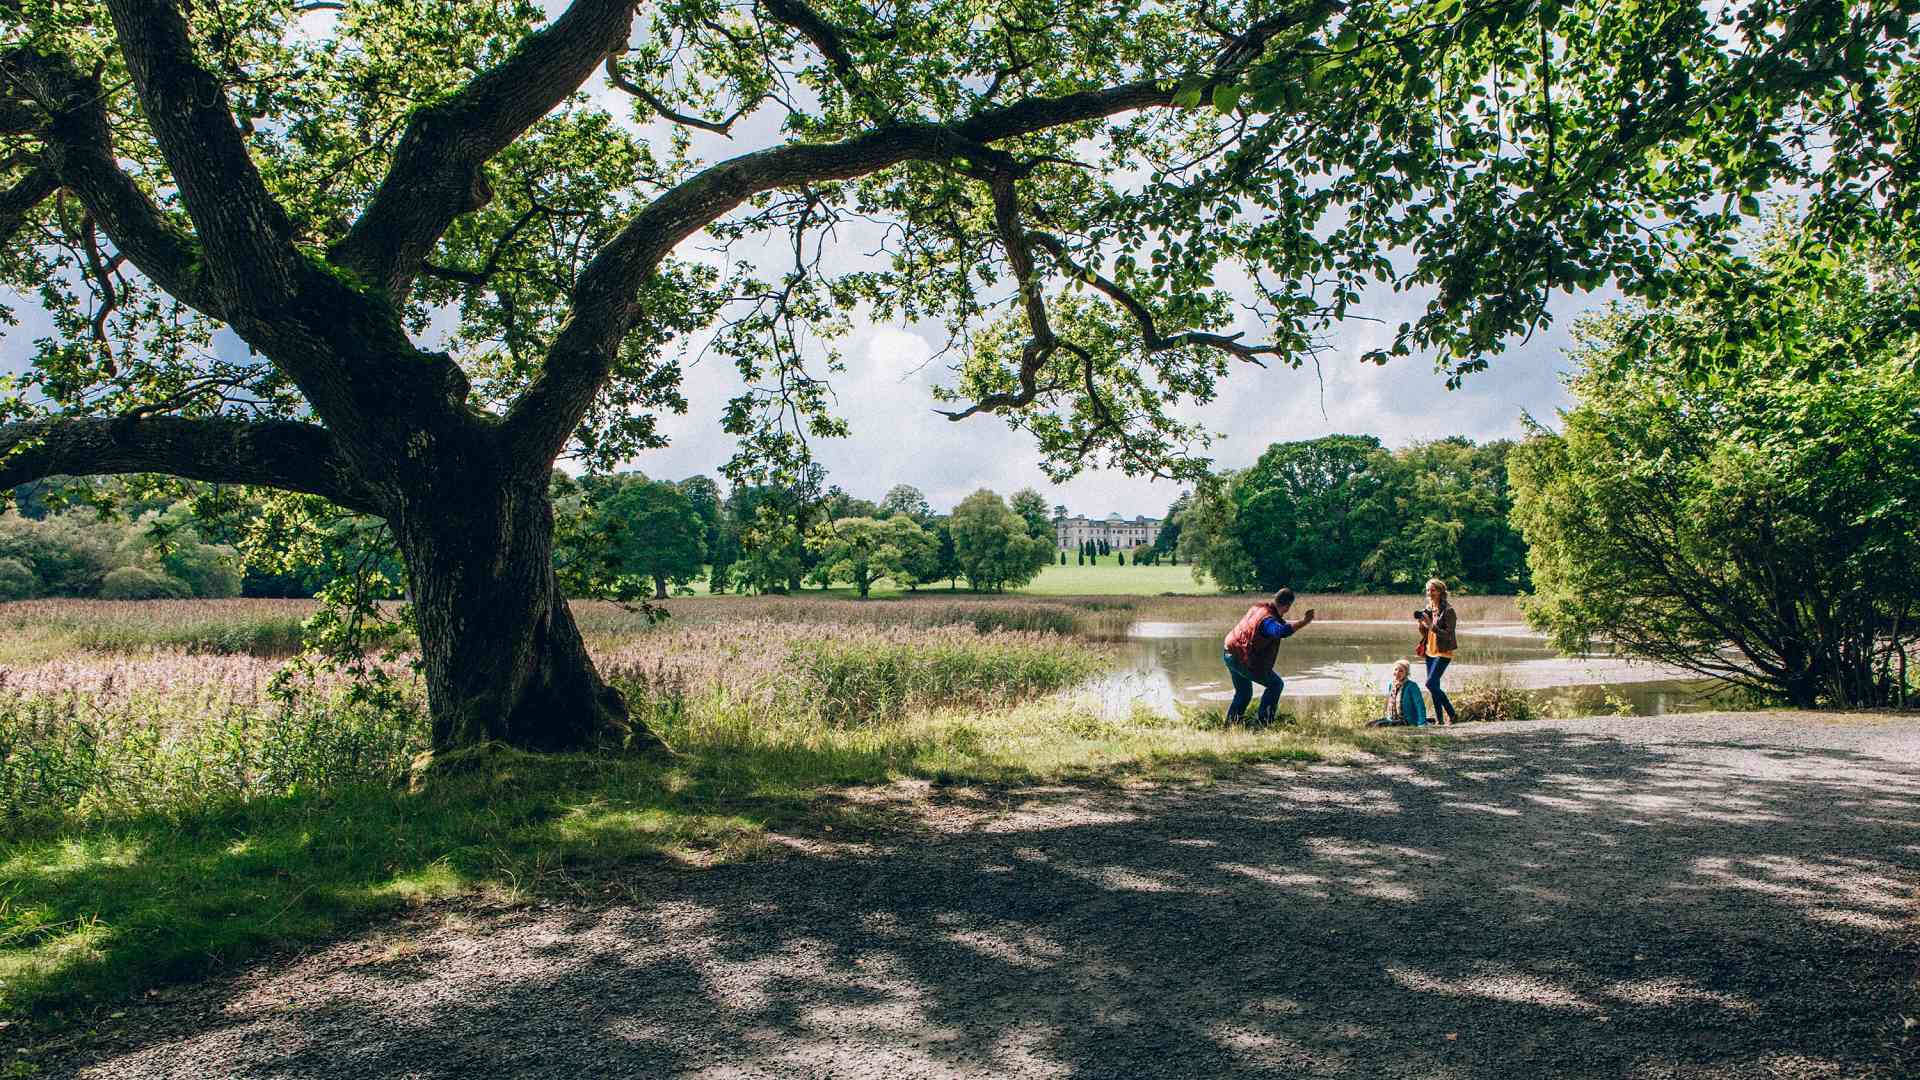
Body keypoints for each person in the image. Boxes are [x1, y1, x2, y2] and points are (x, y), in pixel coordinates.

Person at [1222, 587, 1316, 725]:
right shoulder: (1268, 620)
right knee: (1276, 685)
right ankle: (1263, 724)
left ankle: (1230, 725)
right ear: (1288, 606)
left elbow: (1274, 626)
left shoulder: (1259, 607)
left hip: (1229, 651)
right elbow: (1280, 631)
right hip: (1240, 657)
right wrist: (1305, 621)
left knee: (1244, 694)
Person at [1415, 577, 1459, 725]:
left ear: (1440, 592)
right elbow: (1426, 634)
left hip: (1443, 652)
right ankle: (1440, 720)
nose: (1430, 592)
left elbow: (1448, 634)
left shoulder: (1449, 611)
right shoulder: (1429, 609)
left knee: (1430, 684)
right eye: (1428, 590)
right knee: (1435, 687)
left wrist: (1431, 625)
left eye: (1433, 590)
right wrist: (1421, 625)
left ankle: (1452, 714)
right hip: (1430, 651)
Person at [1370, 659, 1428, 727]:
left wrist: (1422, 723)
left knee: (1378, 725)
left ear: (1406, 673)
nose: (1397, 672)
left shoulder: (1412, 686)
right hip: (1392, 719)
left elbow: (1420, 705)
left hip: (1406, 720)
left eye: (1401, 671)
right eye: (1396, 669)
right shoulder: (1392, 685)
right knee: (1369, 724)